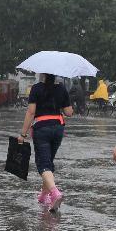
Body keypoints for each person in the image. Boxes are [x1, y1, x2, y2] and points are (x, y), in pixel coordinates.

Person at [17, 74, 73, 212]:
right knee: (48, 162)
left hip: (41, 128)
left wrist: (22, 134)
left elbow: (31, 112)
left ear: (42, 75)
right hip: (58, 128)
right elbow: (69, 112)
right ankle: (43, 195)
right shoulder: (61, 89)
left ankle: (55, 193)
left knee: (43, 164)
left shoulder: (36, 89)